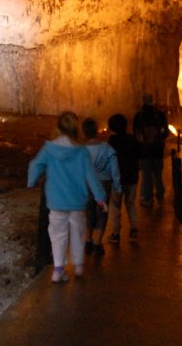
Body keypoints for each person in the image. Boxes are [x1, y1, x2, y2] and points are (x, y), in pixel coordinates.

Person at [28, 111, 107, 282]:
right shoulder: (82, 152)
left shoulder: (49, 148)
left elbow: (36, 165)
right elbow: (90, 176)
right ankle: (78, 266)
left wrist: (31, 181)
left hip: (56, 200)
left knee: (57, 234)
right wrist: (100, 198)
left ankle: (58, 270)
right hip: (77, 201)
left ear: (58, 127)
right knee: (78, 233)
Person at [82, 117, 121, 256]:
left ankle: (88, 241)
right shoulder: (107, 148)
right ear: (97, 131)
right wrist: (117, 186)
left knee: (89, 212)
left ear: (84, 133)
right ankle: (98, 244)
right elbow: (114, 169)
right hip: (104, 184)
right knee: (102, 213)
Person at [107, 113, 140, 243]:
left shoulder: (112, 141)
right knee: (131, 203)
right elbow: (139, 154)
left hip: (117, 179)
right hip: (132, 177)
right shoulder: (132, 139)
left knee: (115, 205)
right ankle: (134, 227)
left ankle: (115, 232)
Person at [133, 93, 168, 207]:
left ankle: (147, 198)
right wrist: (158, 140)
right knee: (158, 174)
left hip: (144, 151)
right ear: (152, 101)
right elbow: (165, 132)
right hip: (157, 150)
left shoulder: (139, 116)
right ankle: (160, 198)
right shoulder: (159, 115)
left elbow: (136, 133)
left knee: (146, 175)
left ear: (143, 101)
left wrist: (142, 144)